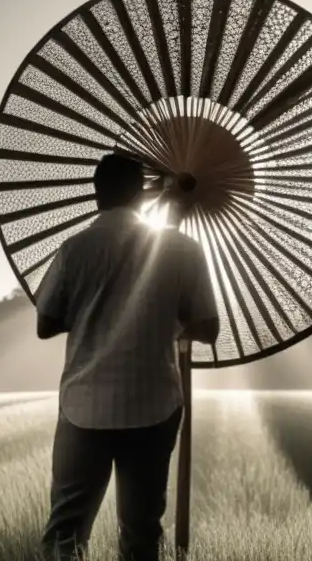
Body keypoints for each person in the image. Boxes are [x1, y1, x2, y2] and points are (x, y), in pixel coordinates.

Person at [35, 153, 220, 561]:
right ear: (142, 194)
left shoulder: (74, 249)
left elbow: (45, 324)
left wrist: (93, 312)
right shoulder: (182, 249)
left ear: (96, 194)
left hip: (85, 402)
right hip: (153, 403)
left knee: (66, 529)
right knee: (141, 532)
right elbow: (208, 329)